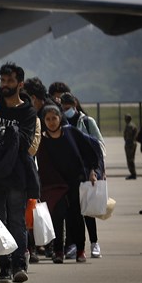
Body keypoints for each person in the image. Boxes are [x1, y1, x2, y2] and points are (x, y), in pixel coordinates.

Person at [0, 62, 39, 282]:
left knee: (17, 221)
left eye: (10, 80)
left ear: (20, 84)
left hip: (16, 175)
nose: (5, 84)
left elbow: (25, 141)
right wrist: (5, 135)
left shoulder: (28, 111)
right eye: (3, 80)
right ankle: (3, 266)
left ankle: (19, 265)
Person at [36, 104, 102, 264]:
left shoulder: (72, 133)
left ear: (60, 118)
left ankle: (80, 250)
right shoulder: (42, 140)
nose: (51, 122)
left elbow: (90, 152)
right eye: (48, 119)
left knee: (76, 218)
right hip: (54, 185)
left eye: (54, 118)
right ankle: (58, 251)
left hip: (75, 182)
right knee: (57, 218)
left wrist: (92, 172)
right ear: (44, 121)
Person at [59, 92, 105, 258]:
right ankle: (76, 245)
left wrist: (99, 171)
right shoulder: (61, 122)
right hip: (70, 173)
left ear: (75, 105)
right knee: (73, 212)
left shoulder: (86, 121)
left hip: (86, 171)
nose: (66, 110)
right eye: (63, 108)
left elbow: (99, 145)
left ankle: (94, 243)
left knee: (88, 210)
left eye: (68, 107)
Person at [125, 115, 139, 180]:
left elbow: (127, 136)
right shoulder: (133, 125)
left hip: (130, 144)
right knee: (131, 159)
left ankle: (133, 174)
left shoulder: (129, 126)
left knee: (130, 160)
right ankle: (133, 173)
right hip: (133, 143)